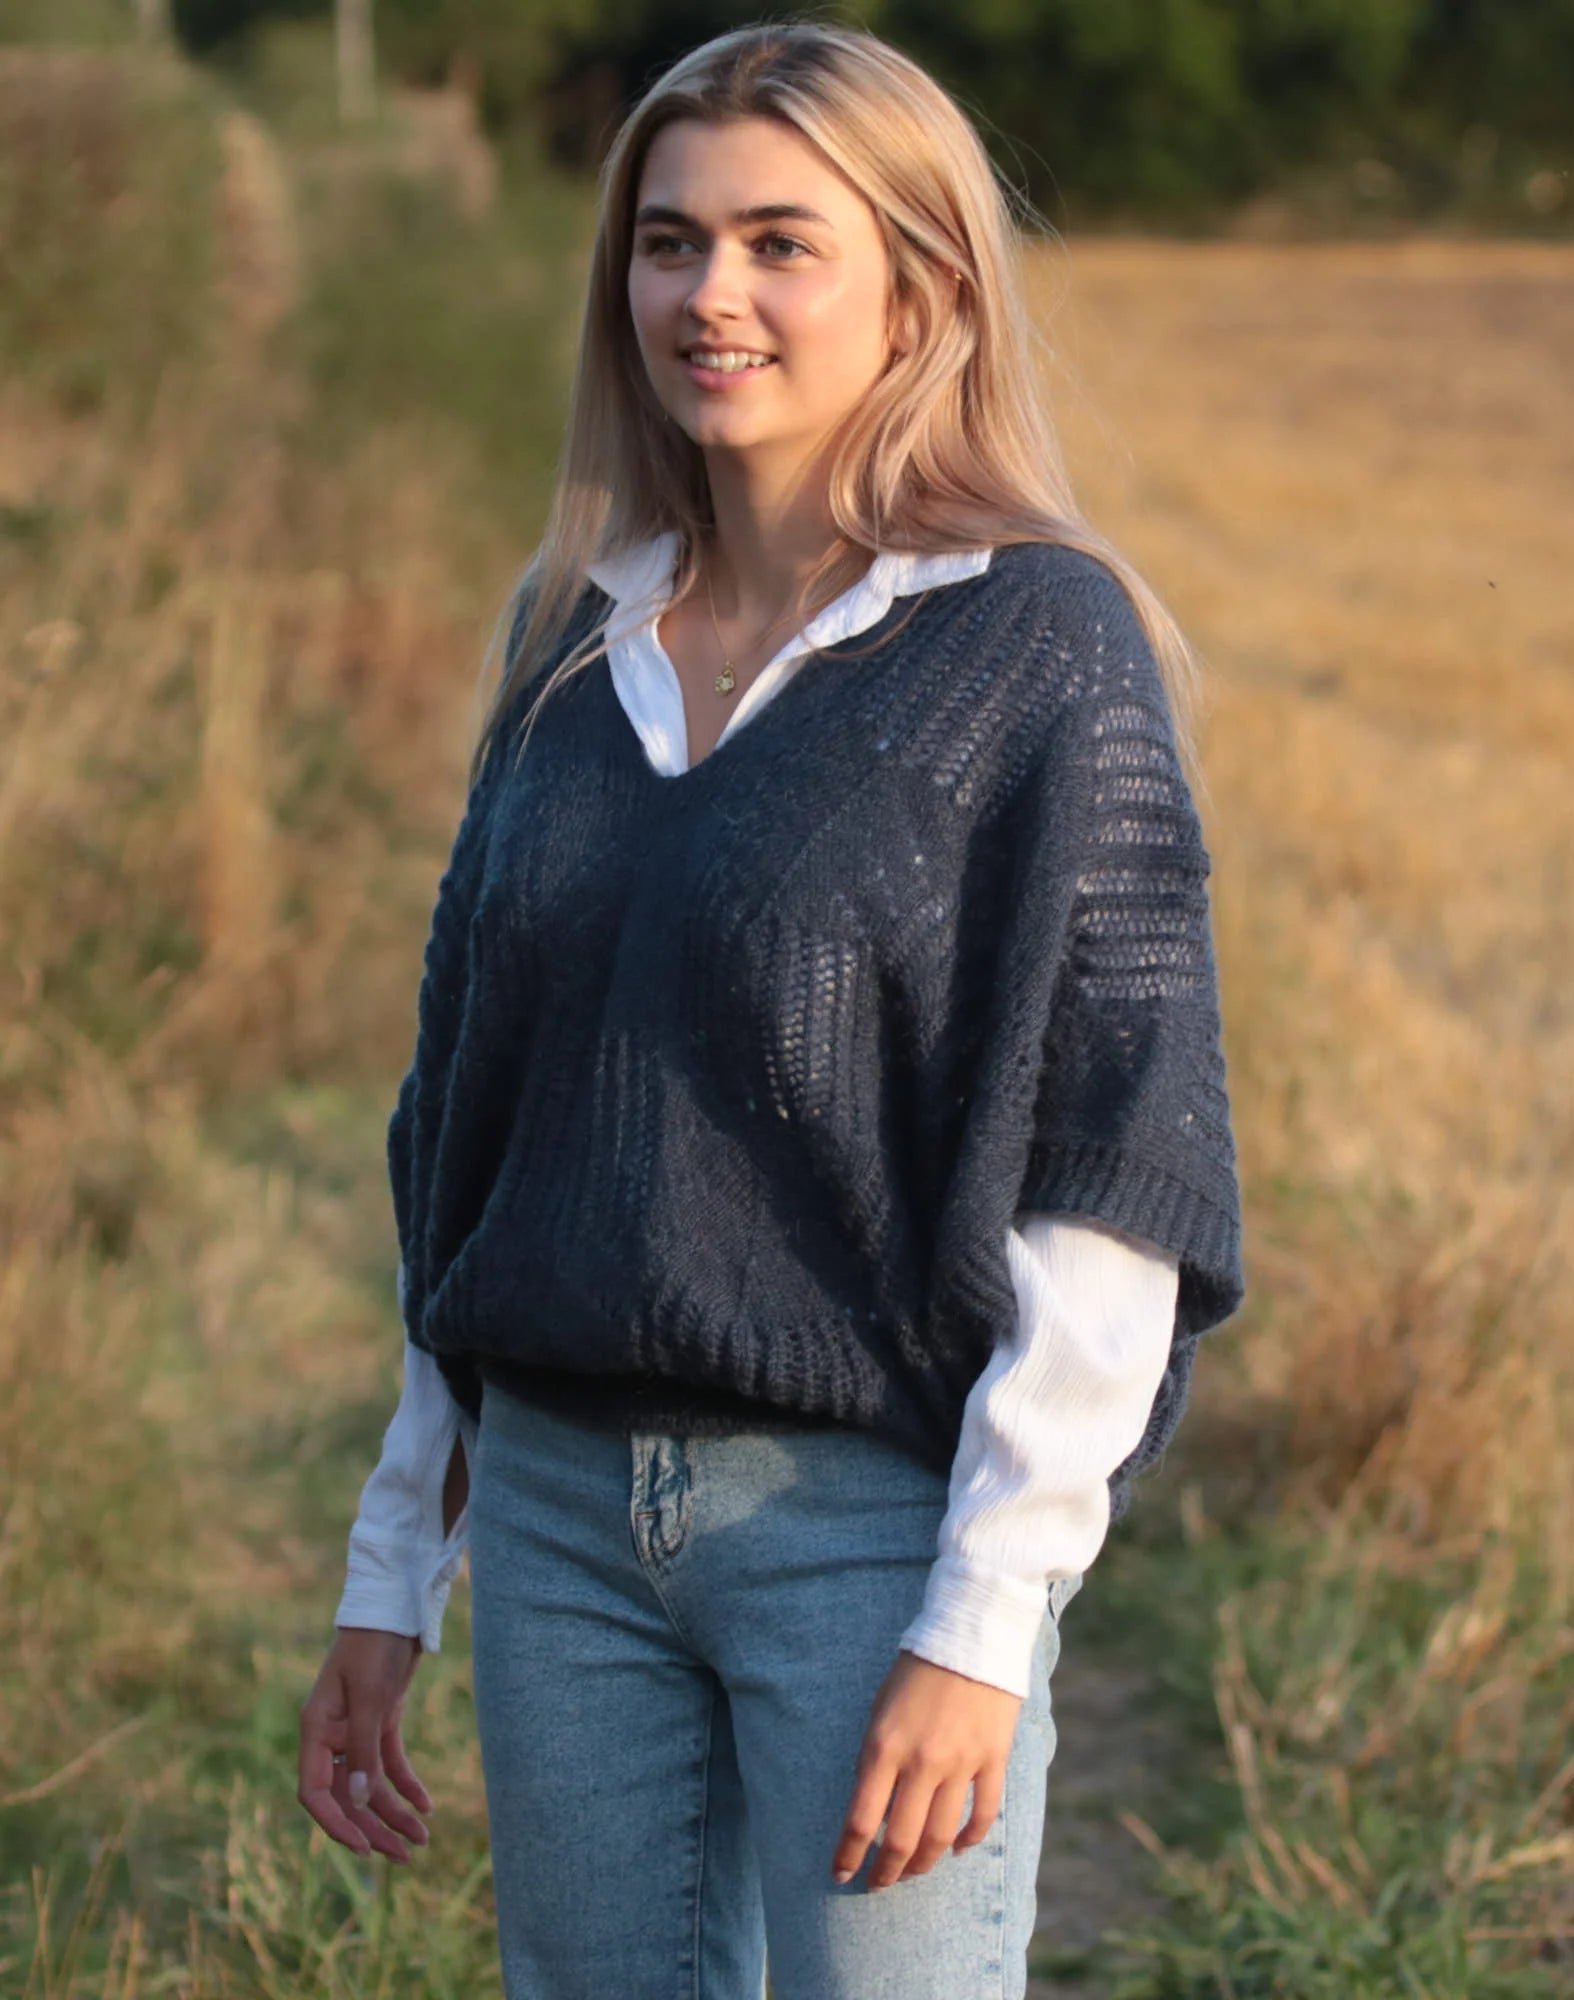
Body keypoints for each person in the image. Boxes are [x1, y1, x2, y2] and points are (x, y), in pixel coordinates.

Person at [298, 20, 1245, 1998]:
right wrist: (399, 1560)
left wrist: (979, 1618)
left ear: (920, 286)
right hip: (557, 1508)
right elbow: (471, 1133)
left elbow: (1109, 1159)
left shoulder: (1032, 649)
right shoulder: (568, 641)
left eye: (776, 242)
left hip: (860, 1529)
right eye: (665, 240)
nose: (704, 294)